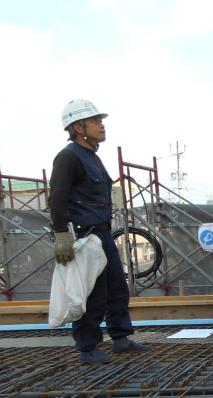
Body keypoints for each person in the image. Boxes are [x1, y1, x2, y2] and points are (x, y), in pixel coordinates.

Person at [49, 99, 146, 363]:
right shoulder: (68, 157)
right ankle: (88, 346)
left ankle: (120, 337)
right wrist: (62, 236)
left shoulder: (92, 157)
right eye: (95, 121)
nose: (101, 125)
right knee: (92, 292)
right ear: (78, 127)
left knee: (116, 286)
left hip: (102, 232)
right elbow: (56, 199)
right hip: (84, 236)